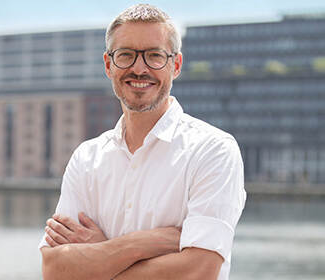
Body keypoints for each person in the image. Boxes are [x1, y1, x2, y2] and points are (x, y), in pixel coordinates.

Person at [39, 4, 246, 280]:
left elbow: (199, 271)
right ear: (108, 64)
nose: (139, 68)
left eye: (154, 56)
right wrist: (143, 244)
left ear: (176, 65)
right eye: (126, 55)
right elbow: (54, 271)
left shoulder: (213, 150)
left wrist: (100, 255)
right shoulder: (86, 159)